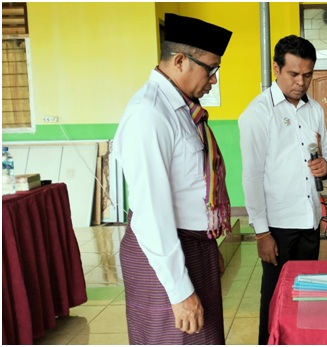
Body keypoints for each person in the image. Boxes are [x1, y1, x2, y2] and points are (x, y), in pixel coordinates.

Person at [112, 13, 232, 344]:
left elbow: (190, 190)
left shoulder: (182, 110)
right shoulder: (149, 115)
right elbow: (151, 213)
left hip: (193, 247)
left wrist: (210, 247)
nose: (214, 79)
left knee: (204, 339)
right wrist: (179, 291)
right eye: (211, 69)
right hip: (164, 255)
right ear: (180, 61)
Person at [238, 35, 327, 345]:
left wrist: (325, 167)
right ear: (276, 68)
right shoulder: (258, 113)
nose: (301, 82)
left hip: (309, 219)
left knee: (305, 292)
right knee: (275, 294)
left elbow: (326, 155)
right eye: (293, 74)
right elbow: (251, 176)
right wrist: (262, 233)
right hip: (277, 225)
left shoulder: (314, 109)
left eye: (308, 74)